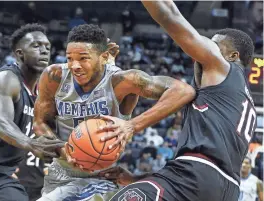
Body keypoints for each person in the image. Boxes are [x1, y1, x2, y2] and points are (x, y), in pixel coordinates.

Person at [96, 1, 258, 201]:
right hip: (228, 190)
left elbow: (171, 15)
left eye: (214, 46)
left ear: (233, 56)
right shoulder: (242, 100)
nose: (204, 48)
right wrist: (134, 178)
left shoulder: (224, 68)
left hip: (197, 175)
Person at [33, 24, 195, 201]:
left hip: (103, 174)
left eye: (83, 58)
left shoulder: (122, 80)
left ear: (103, 57)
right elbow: (40, 122)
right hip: (62, 170)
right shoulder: (54, 76)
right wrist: (64, 150)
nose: (74, 65)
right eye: (70, 58)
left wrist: (132, 125)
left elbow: (183, 91)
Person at [0, 23, 65, 201]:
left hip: (0, 178)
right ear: (20, 53)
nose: (44, 51)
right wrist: (31, 144)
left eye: (47, 47)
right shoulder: (6, 79)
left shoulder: (40, 97)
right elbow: (1, 123)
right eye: (36, 46)